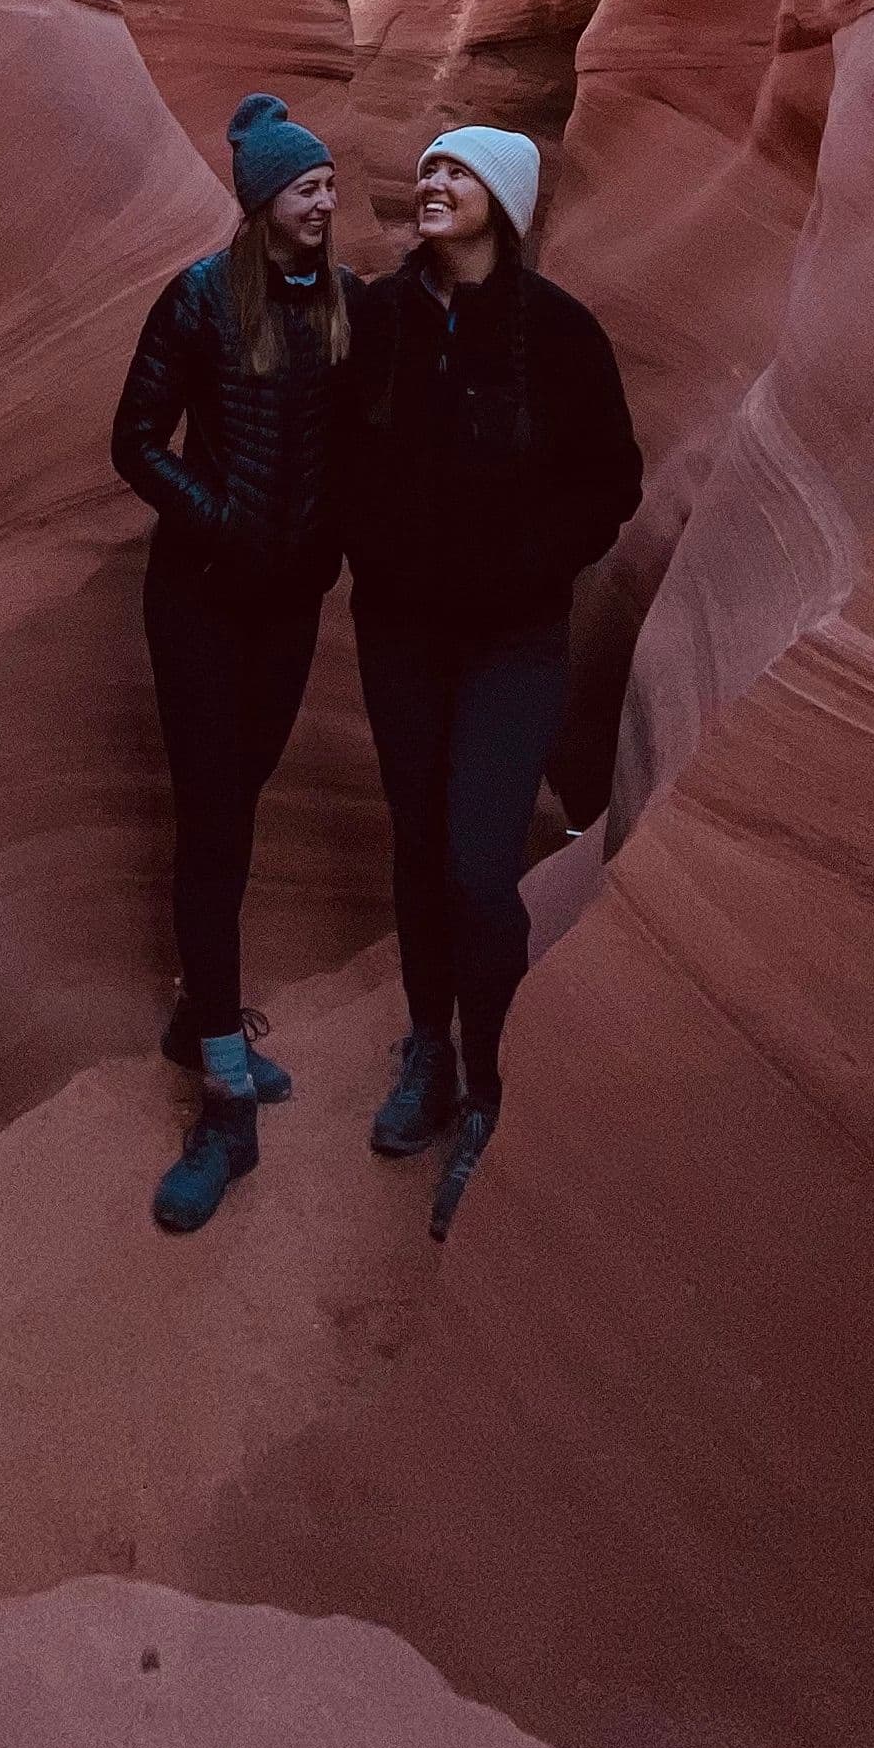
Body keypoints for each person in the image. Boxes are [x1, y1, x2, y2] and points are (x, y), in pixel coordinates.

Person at [337, 123, 640, 1238]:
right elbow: (326, 442)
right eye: (427, 170)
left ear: (503, 203)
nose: (432, 185)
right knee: (419, 847)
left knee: (476, 863)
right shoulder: (375, 320)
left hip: (513, 641)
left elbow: (613, 479)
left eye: (456, 172)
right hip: (403, 633)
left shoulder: (559, 333)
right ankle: (429, 1049)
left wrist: (529, 560)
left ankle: (491, 1081)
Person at [110, 92, 351, 1234]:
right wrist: (220, 521)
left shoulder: (341, 305)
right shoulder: (203, 298)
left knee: (236, 809)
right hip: (203, 602)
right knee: (213, 825)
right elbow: (134, 441)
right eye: (308, 188)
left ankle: (192, 1010)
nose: (326, 203)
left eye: (331, 188)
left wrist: (329, 544)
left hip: (289, 608)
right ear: (264, 202)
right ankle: (222, 1103)